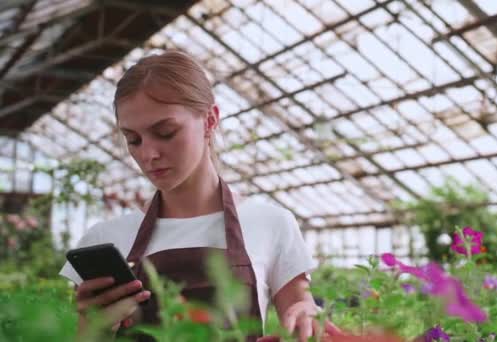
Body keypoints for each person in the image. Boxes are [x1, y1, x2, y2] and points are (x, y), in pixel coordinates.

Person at [59, 50, 335, 341]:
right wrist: (95, 328)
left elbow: (302, 312)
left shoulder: (270, 223)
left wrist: (307, 313)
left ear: (209, 120)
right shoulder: (105, 237)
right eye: (133, 140)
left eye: (166, 132)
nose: (148, 154)